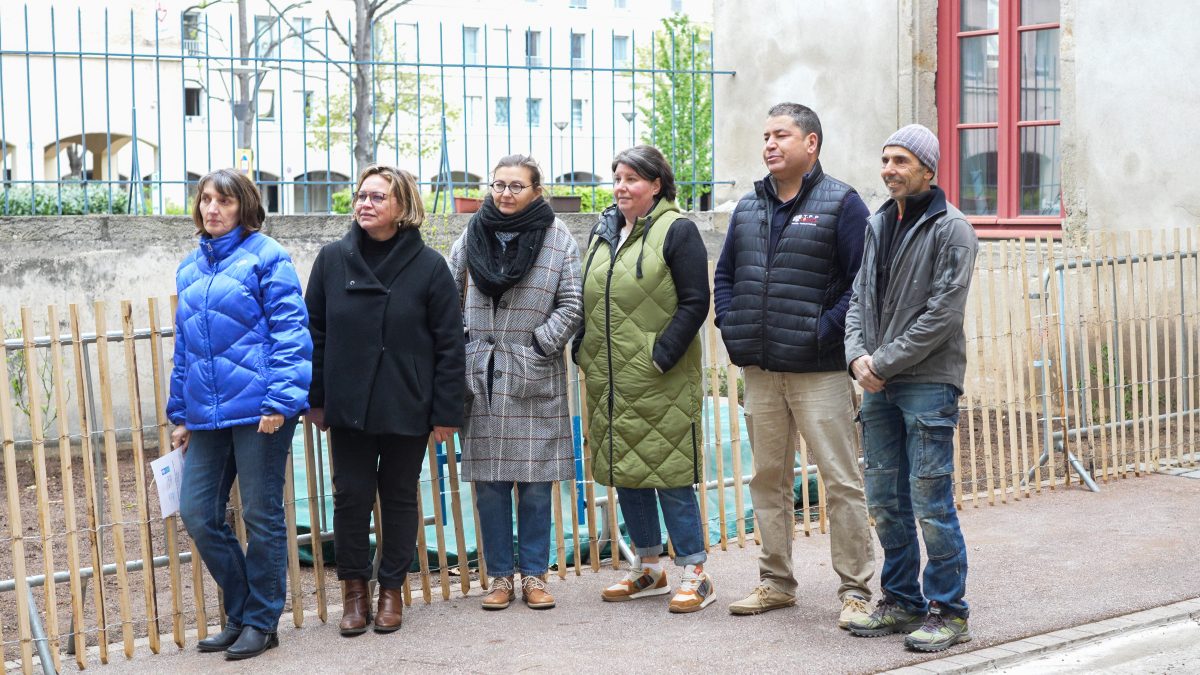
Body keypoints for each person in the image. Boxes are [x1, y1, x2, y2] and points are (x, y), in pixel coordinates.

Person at [714, 102, 876, 626]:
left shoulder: (841, 203)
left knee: (841, 480)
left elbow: (860, 285)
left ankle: (855, 591)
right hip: (761, 372)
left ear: (811, 144)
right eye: (765, 135)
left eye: (781, 135)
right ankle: (775, 582)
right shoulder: (747, 206)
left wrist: (819, 333)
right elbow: (726, 278)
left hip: (819, 373)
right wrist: (734, 327)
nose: (769, 144)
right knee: (767, 480)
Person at [305, 165, 464, 636]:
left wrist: (445, 411)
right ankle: (354, 591)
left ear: (402, 206)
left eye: (378, 197)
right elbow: (313, 332)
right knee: (351, 496)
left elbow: (450, 344)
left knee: (397, 496)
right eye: (361, 196)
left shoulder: (430, 266)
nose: (365, 204)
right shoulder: (332, 260)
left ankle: (391, 589)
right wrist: (315, 399)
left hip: (405, 400)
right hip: (348, 403)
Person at [844, 124, 978, 652]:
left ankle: (950, 610)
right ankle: (902, 601)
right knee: (885, 500)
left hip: (927, 382)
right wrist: (857, 356)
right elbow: (858, 296)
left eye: (901, 161)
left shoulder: (953, 228)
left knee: (930, 500)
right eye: (885, 160)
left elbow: (943, 314)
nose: (889, 170)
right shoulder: (880, 222)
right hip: (877, 381)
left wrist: (884, 361)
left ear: (928, 169)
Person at [169, 169, 312, 660]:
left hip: (260, 411)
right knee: (198, 512)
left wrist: (280, 400)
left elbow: (290, 331)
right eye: (206, 200)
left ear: (244, 207)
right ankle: (241, 610)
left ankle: (261, 621)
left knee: (260, 513)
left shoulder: (267, 257)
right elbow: (185, 349)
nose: (212, 209)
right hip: (207, 414)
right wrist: (181, 414)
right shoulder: (190, 269)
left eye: (224, 201)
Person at [574, 145, 714, 613]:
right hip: (610, 378)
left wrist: (660, 357)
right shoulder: (603, 233)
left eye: (632, 178)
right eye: (617, 177)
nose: (621, 186)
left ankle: (695, 572)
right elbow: (586, 297)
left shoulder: (678, 231)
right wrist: (582, 348)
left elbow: (695, 301)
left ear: (656, 185)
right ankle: (650, 568)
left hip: (660, 377)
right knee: (626, 473)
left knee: (670, 474)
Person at [448, 155, 583, 611]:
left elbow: (572, 303)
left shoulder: (557, 238)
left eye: (516, 186)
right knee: (489, 484)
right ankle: (500, 578)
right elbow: (448, 295)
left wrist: (539, 347)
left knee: (536, 484)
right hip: (481, 373)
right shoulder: (472, 234)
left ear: (536, 191)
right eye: (499, 185)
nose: (505, 194)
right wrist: (465, 342)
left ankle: (535, 577)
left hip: (532, 372)